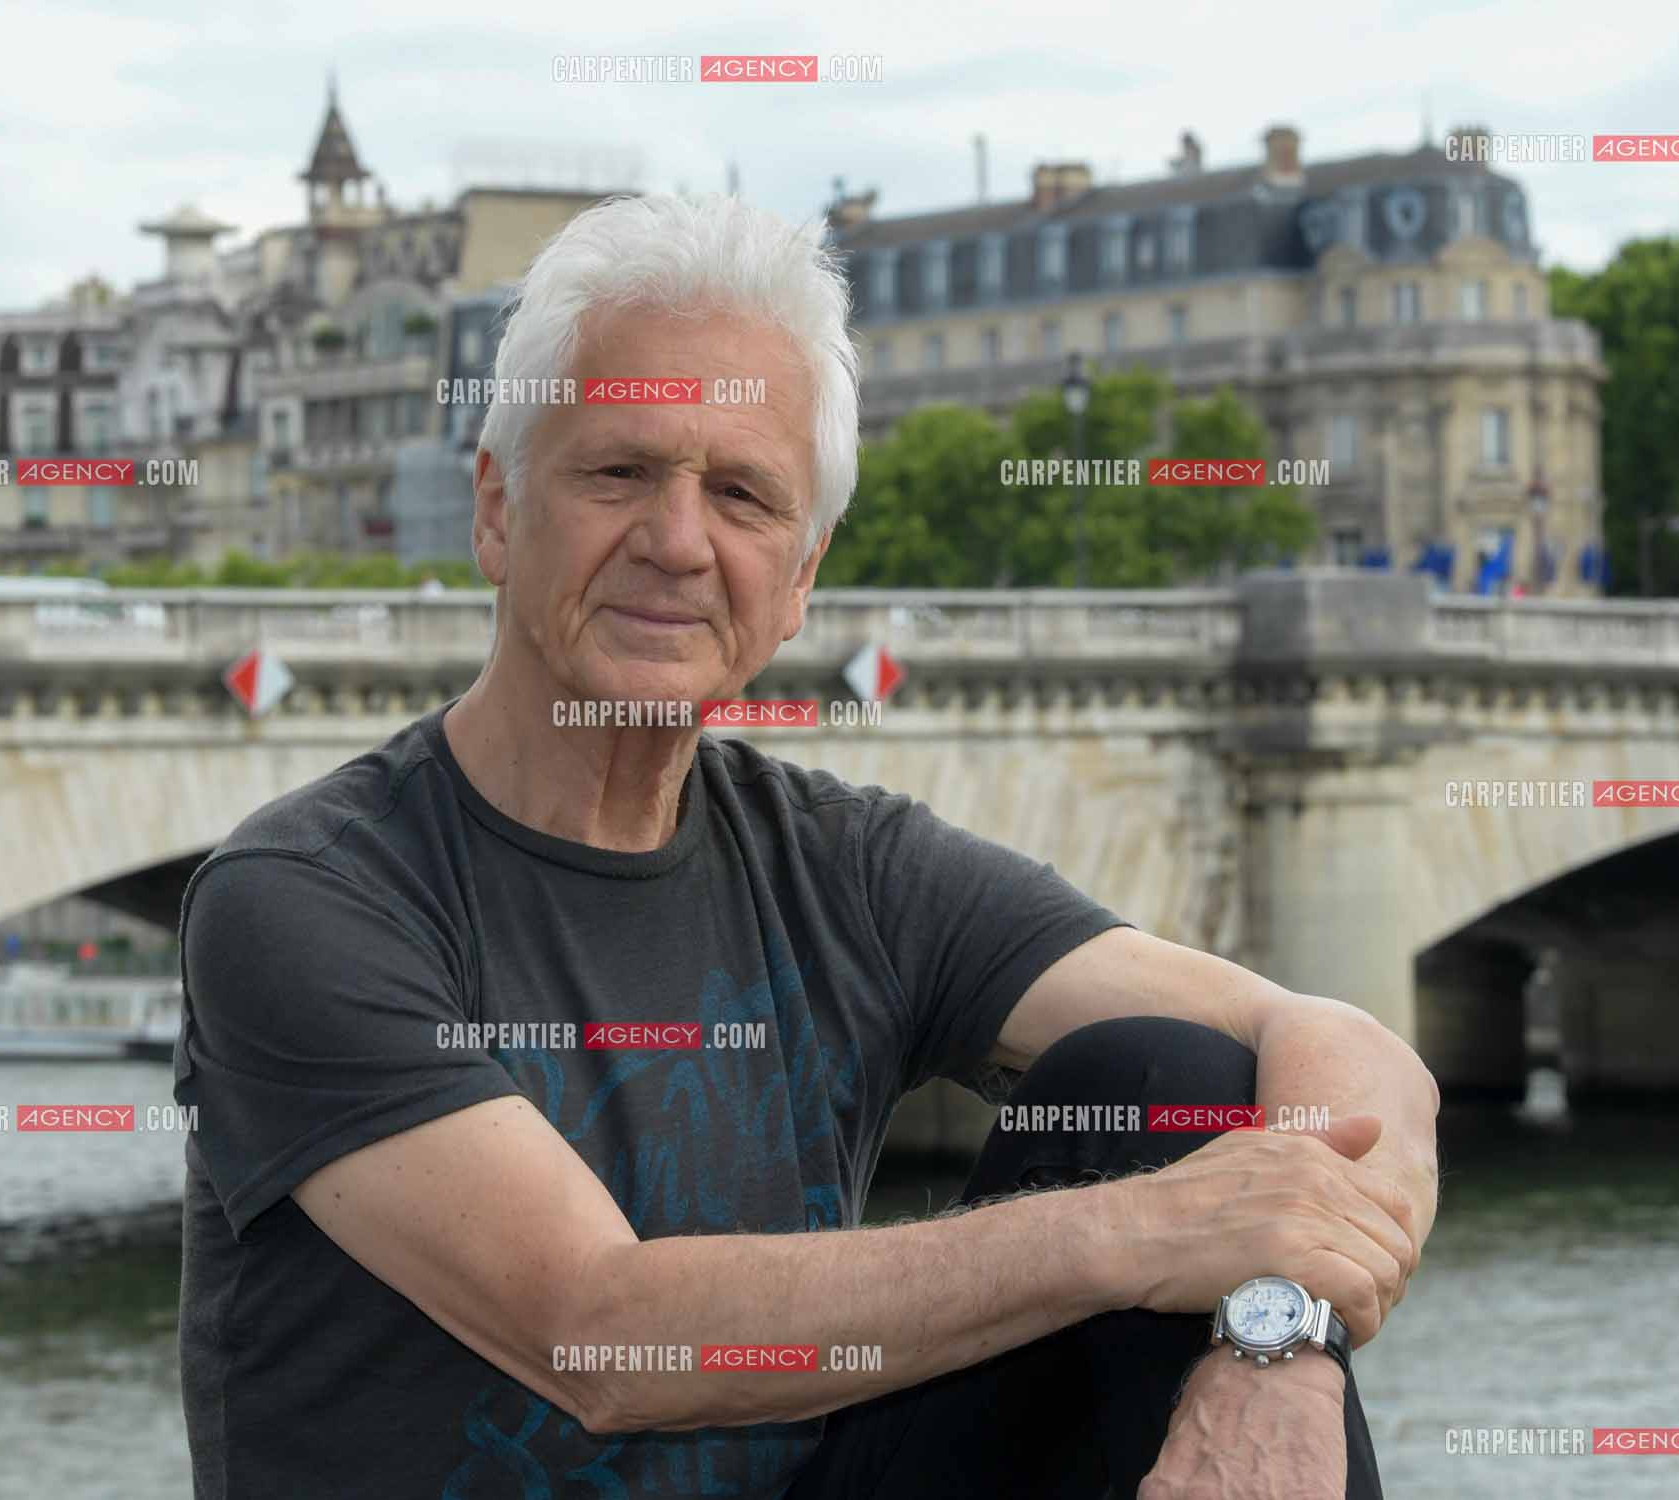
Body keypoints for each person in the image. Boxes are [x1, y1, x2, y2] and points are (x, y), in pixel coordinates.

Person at [174, 194, 1438, 1500]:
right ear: (495, 510)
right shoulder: (306, 897)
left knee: (1162, 1075)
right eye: (618, 473)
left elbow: (1353, 1058)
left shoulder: (846, 866)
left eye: (740, 495)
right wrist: (1149, 1232)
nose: (675, 542)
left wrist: (1272, 1339)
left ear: (799, 581)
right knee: (1154, 1173)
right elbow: (596, 1329)